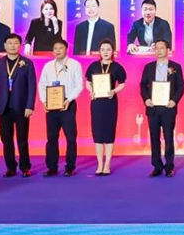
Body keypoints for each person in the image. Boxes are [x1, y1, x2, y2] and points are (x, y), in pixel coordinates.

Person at [0, 33, 36, 178]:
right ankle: (10, 167)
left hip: (21, 107)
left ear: (20, 45)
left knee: (22, 139)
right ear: (5, 45)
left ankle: (25, 167)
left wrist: (30, 106)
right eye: (9, 43)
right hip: (3, 107)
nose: (12, 46)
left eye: (15, 43)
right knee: (6, 140)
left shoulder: (27, 63)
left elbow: (32, 86)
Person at [38, 38, 83, 177]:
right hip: (52, 105)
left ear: (66, 49)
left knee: (71, 137)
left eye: (61, 48)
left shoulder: (74, 64)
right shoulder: (48, 66)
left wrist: (69, 99)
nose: (58, 51)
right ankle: (52, 167)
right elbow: (42, 84)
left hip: (67, 104)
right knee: (51, 138)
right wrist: (44, 101)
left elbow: (79, 85)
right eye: (55, 48)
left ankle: (70, 167)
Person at [140, 39, 184, 177]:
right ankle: (157, 166)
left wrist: (174, 100)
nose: (159, 50)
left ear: (168, 50)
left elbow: (181, 86)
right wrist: (146, 99)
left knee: (168, 138)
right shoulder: (149, 67)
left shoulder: (175, 67)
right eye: (157, 48)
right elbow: (143, 85)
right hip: (153, 108)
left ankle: (169, 166)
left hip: (168, 107)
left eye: (162, 48)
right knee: (154, 138)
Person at [85, 39, 127, 176]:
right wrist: (91, 90)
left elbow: (122, 84)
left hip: (110, 102)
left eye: (108, 49)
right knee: (97, 133)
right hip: (97, 102)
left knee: (109, 132)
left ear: (113, 51)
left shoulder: (117, 67)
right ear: (99, 51)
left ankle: (107, 163)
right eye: (103, 49)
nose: (105, 52)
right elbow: (88, 82)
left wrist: (114, 91)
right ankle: (99, 164)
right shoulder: (93, 66)